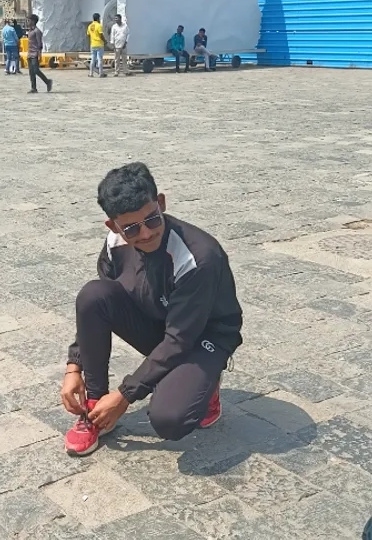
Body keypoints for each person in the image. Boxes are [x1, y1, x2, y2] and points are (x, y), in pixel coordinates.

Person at [61, 162, 243, 456]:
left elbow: (180, 339)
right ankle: (94, 410)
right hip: (159, 322)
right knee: (93, 295)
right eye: (131, 228)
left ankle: (207, 380)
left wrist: (124, 395)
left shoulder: (198, 256)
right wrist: (74, 367)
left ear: (161, 203)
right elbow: (95, 309)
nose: (145, 234)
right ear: (114, 226)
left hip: (200, 337)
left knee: (170, 420)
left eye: (152, 220)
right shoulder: (114, 243)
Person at [27, 14, 52, 94]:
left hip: (35, 54)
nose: (28, 22)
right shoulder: (30, 31)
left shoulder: (37, 31)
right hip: (29, 54)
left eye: (29, 20)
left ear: (33, 21)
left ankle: (47, 81)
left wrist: (39, 54)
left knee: (36, 70)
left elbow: (39, 44)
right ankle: (33, 88)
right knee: (31, 72)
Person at [87, 13, 106, 78]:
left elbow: (88, 34)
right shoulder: (99, 26)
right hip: (99, 44)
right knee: (100, 59)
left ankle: (91, 73)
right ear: (98, 18)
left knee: (93, 59)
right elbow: (101, 35)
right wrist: (105, 41)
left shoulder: (90, 26)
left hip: (92, 44)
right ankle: (101, 73)